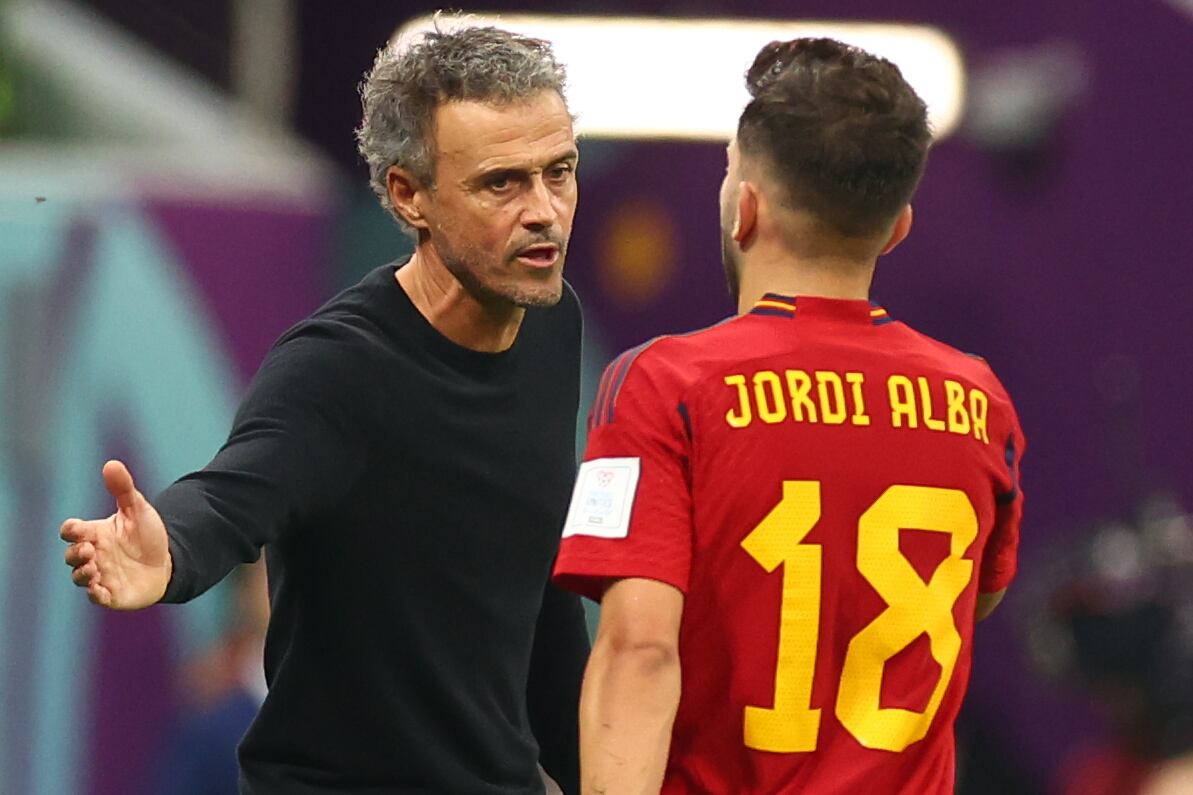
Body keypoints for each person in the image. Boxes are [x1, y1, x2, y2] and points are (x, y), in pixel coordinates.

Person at [60, 18, 589, 795]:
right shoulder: (338, 366)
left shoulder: (552, 321)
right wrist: (166, 547)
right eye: (501, 183)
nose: (544, 210)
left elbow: (543, 595)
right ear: (409, 196)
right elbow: (232, 492)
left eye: (560, 171)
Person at [552, 38, 1026, 794]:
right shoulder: (980, 403)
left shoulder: (662, 384)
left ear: (743, 207)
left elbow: (639, 650)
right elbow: (975, 595)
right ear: (896, 226)